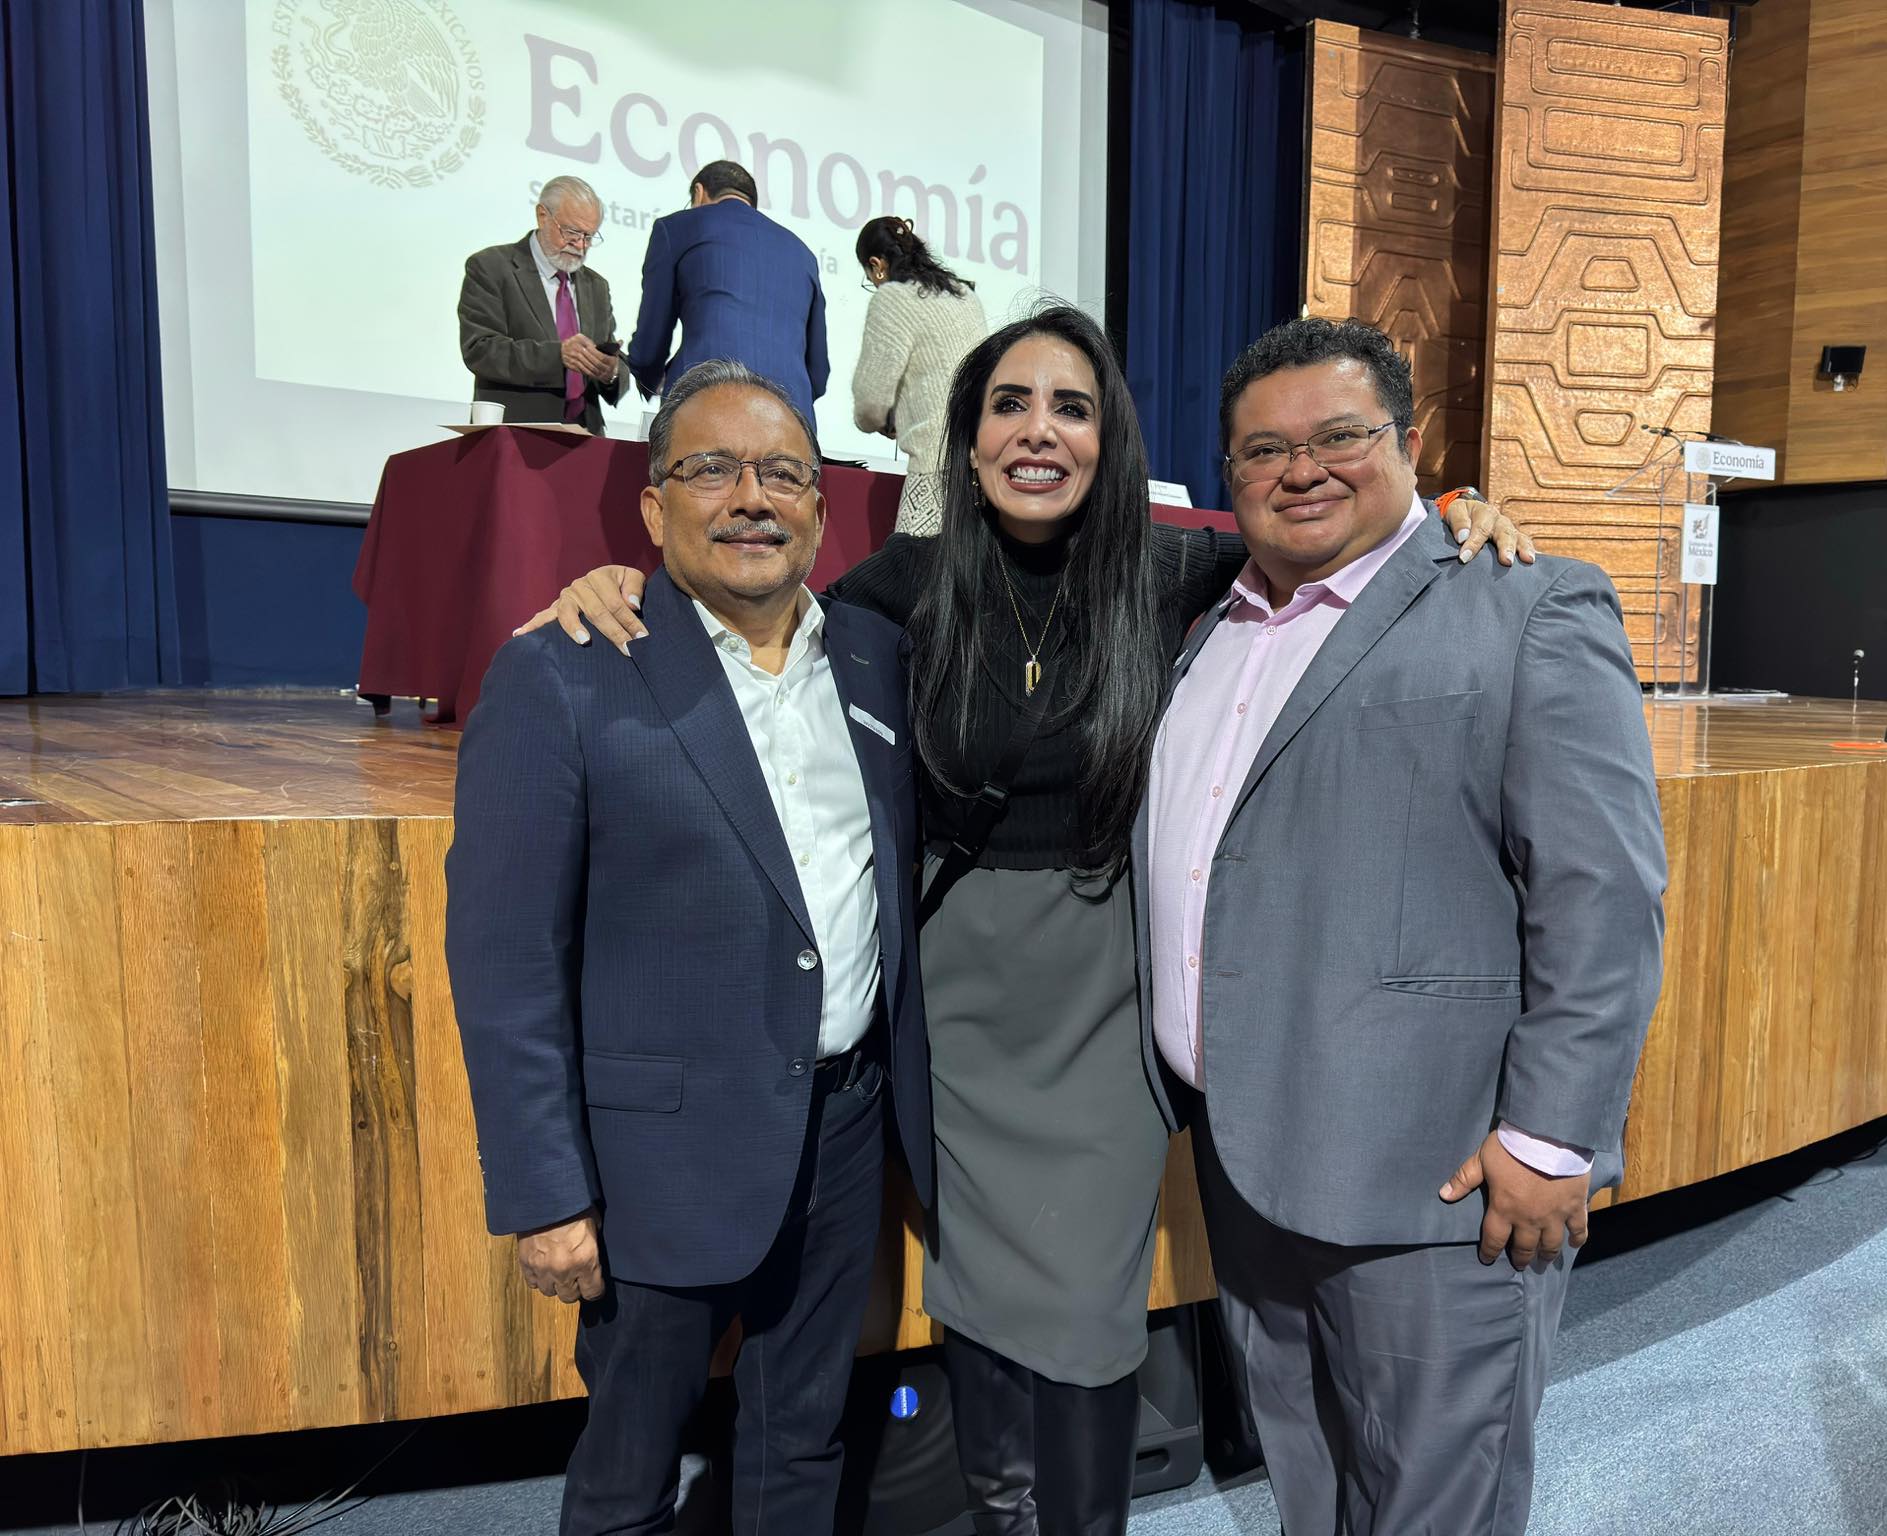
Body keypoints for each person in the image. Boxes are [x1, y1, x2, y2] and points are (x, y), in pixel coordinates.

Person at [525, 311, 1531, 1535]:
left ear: (1108, 440)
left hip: (1099, 992)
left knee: (1088, 1308)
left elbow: (1332, 530)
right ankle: (1003, 1511)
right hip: (954, 997)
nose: (1037, 431)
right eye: (1009, 404)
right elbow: (748, 605)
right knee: (979, 1295)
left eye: (1070, 406)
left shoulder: (1172, 570)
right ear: (967, 437)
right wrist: (619, 580)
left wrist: (1454, 507)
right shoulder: (901, 587)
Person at [1140, 316, 1667, 1536]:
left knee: (1435, 1505)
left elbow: (1601, 896)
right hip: (1248, 1163)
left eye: (1339, 436)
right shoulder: (1204, 626)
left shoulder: (1524, 604)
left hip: (1433, 1182)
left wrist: (1551, 1139)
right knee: (1312, 1486)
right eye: (1263, 451)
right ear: (1227, 474)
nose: (1300, 470)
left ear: (1411, 444)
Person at [444, 359, 932, 1535]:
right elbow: (506, 961)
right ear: (653, 508)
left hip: (843, 1135)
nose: (751, 497)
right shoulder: (563, 671)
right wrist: (545, 1194)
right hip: (652, 1166)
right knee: (628, 1478)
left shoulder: (876, 656)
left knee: (800, 1447)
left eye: (782, 473)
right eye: (711, 470)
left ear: (820, 505)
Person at [626, 161, 831, 426]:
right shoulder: (803, 254)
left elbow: (650, 342)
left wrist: (646, 375)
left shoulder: (676, 228)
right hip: (791, 419)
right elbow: (818, 373)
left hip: (705, 404)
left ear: (699, 193)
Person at [849, 215, 988, 534]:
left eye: (870, 277)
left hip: (933, 472)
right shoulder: (965, 295)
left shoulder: (893, 298)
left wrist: (881, 422)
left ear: (877, 265)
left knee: (915, 563)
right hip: (980, 472)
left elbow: (870, 403)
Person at [458, 175, 627, 431]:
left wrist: (610, 371)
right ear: (542, 216)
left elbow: (614, 366)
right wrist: (557, 356)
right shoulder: (491, 267)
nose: (580, 245)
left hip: (586, 436)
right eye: (571, 232)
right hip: (515, 433)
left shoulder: (597, 286)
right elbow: (480, 350)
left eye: (589, 236)